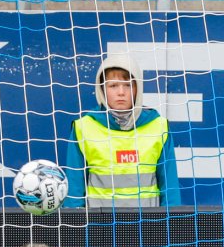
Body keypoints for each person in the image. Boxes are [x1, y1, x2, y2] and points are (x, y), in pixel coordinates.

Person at [64, 53, 181, 208]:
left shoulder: (158, 126)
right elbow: (74, 193)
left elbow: (170, 189)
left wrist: (170, 227)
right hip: (99, 229)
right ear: (102, 89)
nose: (121, 92)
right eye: (113, 85)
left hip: (148, 228)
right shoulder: (83, 128)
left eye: (127, 85)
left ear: (137, 88)